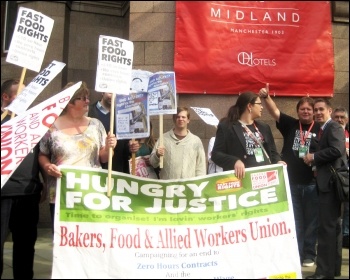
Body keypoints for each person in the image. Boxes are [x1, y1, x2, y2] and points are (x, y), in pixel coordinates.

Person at [38, 82, 117, 232]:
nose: (88, 101)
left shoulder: (96, 125)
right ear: (69, 102)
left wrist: (109, 147)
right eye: (83, 98)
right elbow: (43, 155)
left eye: (87, 97)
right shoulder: (51, 128)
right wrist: (48, 167)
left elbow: (104, 158)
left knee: (89, 237)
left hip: (91, 193)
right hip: (62, 193)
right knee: (63, 239)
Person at [259, 86, 320, 267]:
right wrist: (266, 97)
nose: (306, 111)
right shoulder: (291, 124)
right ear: (298, 111)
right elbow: (275, 111)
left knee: (311, 221)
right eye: (302, 109)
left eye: (309, 109)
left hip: (311, 183)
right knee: (295, 220)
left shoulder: (320, 128)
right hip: (290, 182)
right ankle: (296, 252)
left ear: (314, 112)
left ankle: (309, 254)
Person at [1, 79, 45, 279]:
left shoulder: (33, 121)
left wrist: (44, 182)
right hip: (3, 195)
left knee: (26, 248)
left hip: (28, 193)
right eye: (22, 94)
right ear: (6, 97)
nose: (28, 97)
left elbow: (42, 154)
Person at [304, 98, 346, 279]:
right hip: (328, 184)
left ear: (329, 110)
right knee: (332, 228)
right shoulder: (323, 130)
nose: (318, 112)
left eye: (321, 109)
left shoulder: (333, 127)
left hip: (330, 185)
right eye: (316, 110)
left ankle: (323, 272)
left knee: (326, 230)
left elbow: (337, 150)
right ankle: (333, 269)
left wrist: (314, 156)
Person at [212, 91, 284, 179]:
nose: (262, 107)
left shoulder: (264, 127)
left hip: (264, 179)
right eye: (259, 104)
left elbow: (273, 152)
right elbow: (216, 154)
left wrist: (278, 162)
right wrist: (235, 161)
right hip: (242, 181)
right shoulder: (227, 127)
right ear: (250, 106)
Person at [149, 106, 206, 179]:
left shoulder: (196, 141)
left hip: (188, 187)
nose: (180, 119)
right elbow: (153, 163)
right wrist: (157, 155)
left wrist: (199, 184)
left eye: (183, 117)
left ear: (188, 120)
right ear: (174, 119)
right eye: (178, 117)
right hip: (168, 187)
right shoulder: (164, 139)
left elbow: (200, 167)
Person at [88, 92, 131, 173]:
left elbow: (125, 145)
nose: (113, 96)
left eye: (116, 94)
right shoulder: (88, 112)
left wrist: (131, 147)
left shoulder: (122, 116)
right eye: (110, 93)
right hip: (94, 170)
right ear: (102, 92)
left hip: (116, 169)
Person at [332, 107, 349, 249]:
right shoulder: (329, 133)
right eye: (336, 117)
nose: (339, 119)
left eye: (342, 117)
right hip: (336, 178)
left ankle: (346, 236)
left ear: (347, 119)